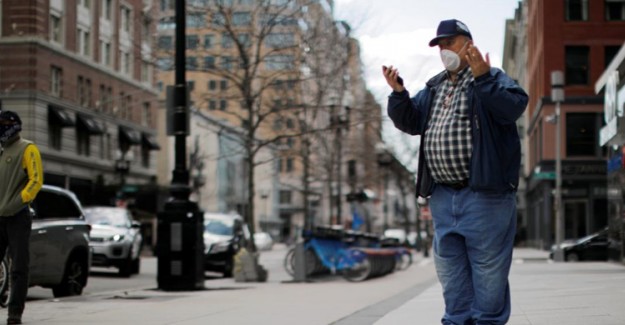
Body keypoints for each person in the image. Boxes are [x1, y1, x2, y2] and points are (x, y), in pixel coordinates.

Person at [382, 19, 528, 325]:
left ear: (468, 45)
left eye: (450, 43)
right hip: (443, 196)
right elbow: (411, 121)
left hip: (485, 196)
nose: (445, 50)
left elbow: (512, 107)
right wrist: (398, 94)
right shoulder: (434, 88)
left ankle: (487, 322)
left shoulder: (492, 79)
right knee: (450, 269)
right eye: (440, 46)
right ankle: (457, 320)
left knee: (488, 269)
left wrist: (484, 79)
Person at [0, 110, 43, 325]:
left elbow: (36, 181)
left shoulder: (27, 148)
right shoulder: (1, 151)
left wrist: (18, 202)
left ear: (15, 125)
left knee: (19, 267)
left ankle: (14, 314)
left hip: (18, 217)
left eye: (4, 123)